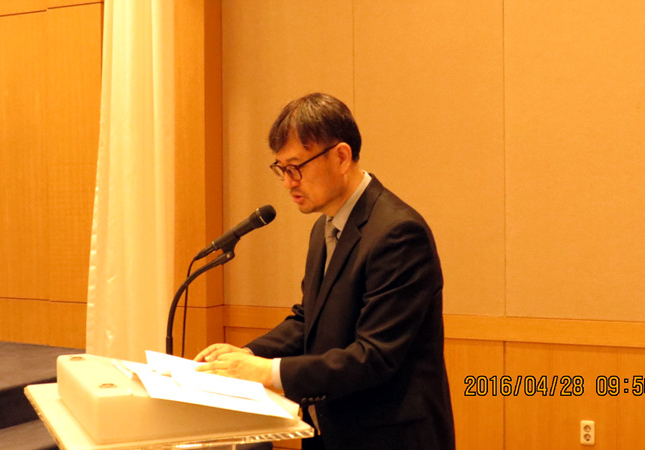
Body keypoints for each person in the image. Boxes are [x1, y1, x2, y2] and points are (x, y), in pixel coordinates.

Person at [195, 92, 455, 450]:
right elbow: (308, 320)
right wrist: (249, 355)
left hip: (388, 437)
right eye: (281, 169)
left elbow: (374, 356)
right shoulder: (324, 227)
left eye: (296, 167)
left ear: (341, 157)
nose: (288, 182)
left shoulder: (397, 232)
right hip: (328, 431)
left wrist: (268, 372)